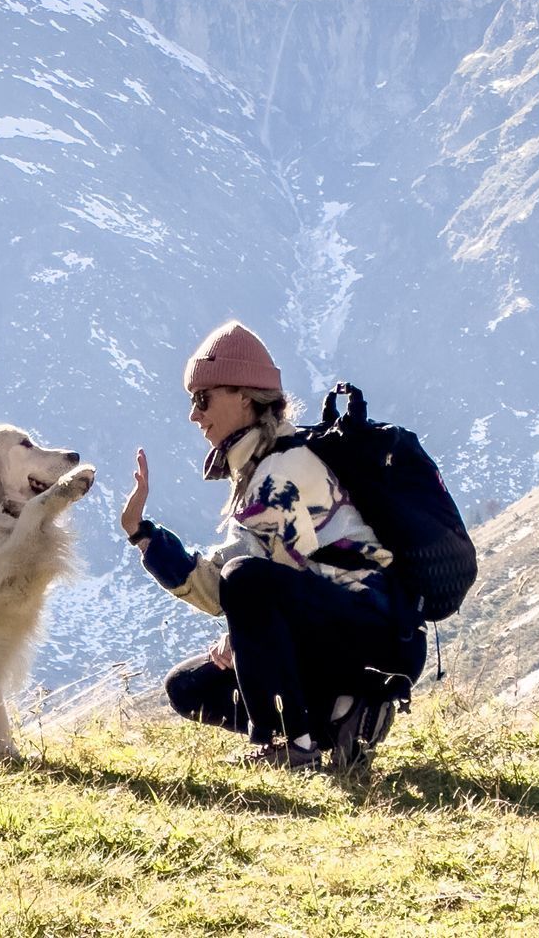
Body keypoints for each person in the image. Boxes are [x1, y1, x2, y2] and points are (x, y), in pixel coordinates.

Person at [119, 321, 426, 770]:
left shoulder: (282, 472)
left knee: (244, 581)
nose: (194, 415)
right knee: (187, 687)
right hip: (344, 628)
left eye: (203, 399)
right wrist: (143, 536)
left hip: (374, 633)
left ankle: (294, 745)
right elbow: (226, 587)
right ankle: (345, 719)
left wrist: (239, 636)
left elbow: (262, 581)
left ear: (244, 396)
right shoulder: (260, 469)